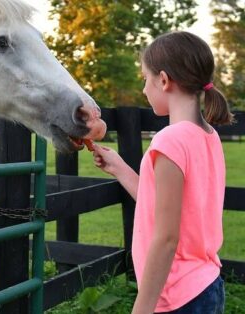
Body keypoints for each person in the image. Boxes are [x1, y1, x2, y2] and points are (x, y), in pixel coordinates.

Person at [92, 31, 234, 314]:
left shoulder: (170, 140)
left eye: (145, 79)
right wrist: (119, 168)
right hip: (206, 285)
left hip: (178, 297)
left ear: (164, 80)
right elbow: (162, 205)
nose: (144, 89)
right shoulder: (208, 135)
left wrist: (142, 307)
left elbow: (167, 238)